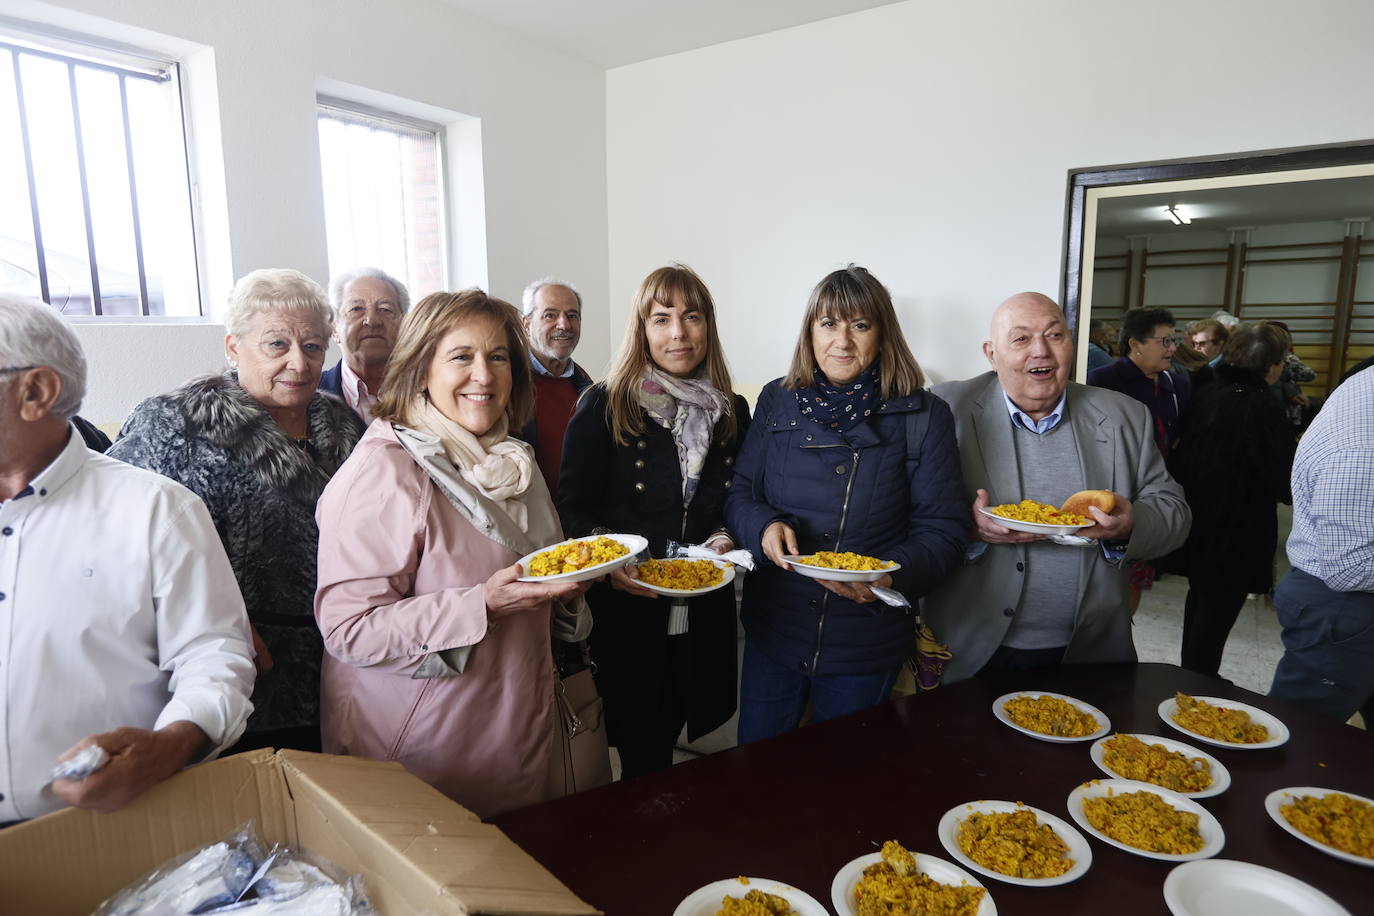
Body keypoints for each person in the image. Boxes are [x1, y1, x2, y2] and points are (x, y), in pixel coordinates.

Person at [315, 289, 591, 817]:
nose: (484, 376)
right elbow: (349, 629)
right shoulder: (387, 471)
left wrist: (583, 578)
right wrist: (481, 604)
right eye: (461, 357)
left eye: (499, 357)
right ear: (421, 370)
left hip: (520, 726)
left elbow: (536, 572)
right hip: (429, 752)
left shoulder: (512, 462)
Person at [0, 295, 253, 823]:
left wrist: (175, 743)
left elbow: (215, 658)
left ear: (36, 390)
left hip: (100, 837)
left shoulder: (157, 510)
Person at [109, 269, 364, 754]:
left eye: (312, 347)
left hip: (341, 665)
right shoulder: (173, 422)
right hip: (227, 667)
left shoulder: (343, 422)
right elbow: (116, 535)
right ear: (233, 347)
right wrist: (216, 618)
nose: (299, 363)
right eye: (276, 345)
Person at [724, 265, 966, 743]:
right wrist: (764, 525)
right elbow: (741, 493)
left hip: (864, 640)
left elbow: (945, 531)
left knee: (844, 786)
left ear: (883, 335)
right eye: (829, 324)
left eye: (860, 325)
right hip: (775, 630)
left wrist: (890, 574)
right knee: (755, 776)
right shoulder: (777, 399)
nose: (843, 341)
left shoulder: (924, 415)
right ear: (810, 333)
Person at [923, 292, 1189, 681]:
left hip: (1089, 651)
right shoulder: (945, 410)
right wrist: (969, 526)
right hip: (971, 647)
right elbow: (905, 509)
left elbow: (1174, 513)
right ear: (991, 353)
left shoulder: (1123, 416)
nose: (1041, 352)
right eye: (1021, 339)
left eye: (1054, 335)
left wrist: (1132, 523)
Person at [559, 265, 749, 777]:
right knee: (641, 741)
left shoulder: (733, 410)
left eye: (691, 316)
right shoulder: (605, 403)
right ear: (641, 329)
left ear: (708, 325)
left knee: (681, 722)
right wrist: (613, 560)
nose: (678, 333)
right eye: (661, 318)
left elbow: (737, 499)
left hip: (702, 601)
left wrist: (725, 537)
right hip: (628, 609)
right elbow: (570, 508)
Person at [1172, 324, 1294, 677]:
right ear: (1271, 365)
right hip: (1239, 528)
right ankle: (1197, 682)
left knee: (1200, 605)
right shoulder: (1261, 405)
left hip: (1200, 518)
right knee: (1217, 614)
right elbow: (1282, 478)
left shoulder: (1208, 389)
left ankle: (1192, 673)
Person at [1268, 365, 1374, 727]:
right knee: (1301, 744)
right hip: (1345, 609)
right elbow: (1350, 566)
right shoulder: (1364, 438)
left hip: (1346, 607)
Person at [518, 277, 593, 499]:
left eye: (572, 316)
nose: (564, 324)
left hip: (576, 523)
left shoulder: (587, 388)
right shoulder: (508, 384)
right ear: (527, 324)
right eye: (550, 315)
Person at [1087, 307, 1191, 461]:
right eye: (1166, 341)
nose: (1173, 348)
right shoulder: (1102, 381)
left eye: (1173, 341)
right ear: (1135, 344)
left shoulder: (1177, 383)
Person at [318, 267, 410, 422]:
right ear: (334, 329)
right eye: (356, 309)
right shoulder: (309, 395)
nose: (372, 320)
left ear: (405, 325)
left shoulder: (429, 392)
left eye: (385, 309)